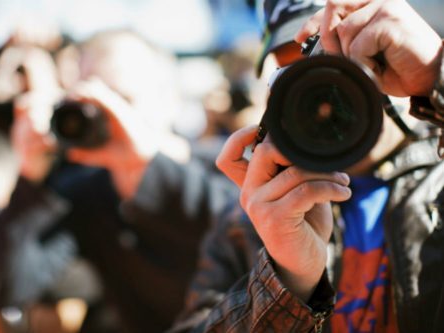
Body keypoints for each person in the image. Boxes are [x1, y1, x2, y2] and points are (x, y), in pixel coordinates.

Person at [168, 0, 444, 332]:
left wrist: (437, 73)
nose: (322, 86)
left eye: (338, 60)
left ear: (390, 50)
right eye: (297, 70)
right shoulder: (252, 215)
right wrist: (288, 280)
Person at [0, 29, 238, 333]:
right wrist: (32, 175)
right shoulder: (84, 191)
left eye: (121, 99)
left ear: (170, 99)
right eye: (93, 103)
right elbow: (12, 287)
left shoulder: (228, 161)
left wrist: (146, 164)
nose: (109, 118)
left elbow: (242, 241)